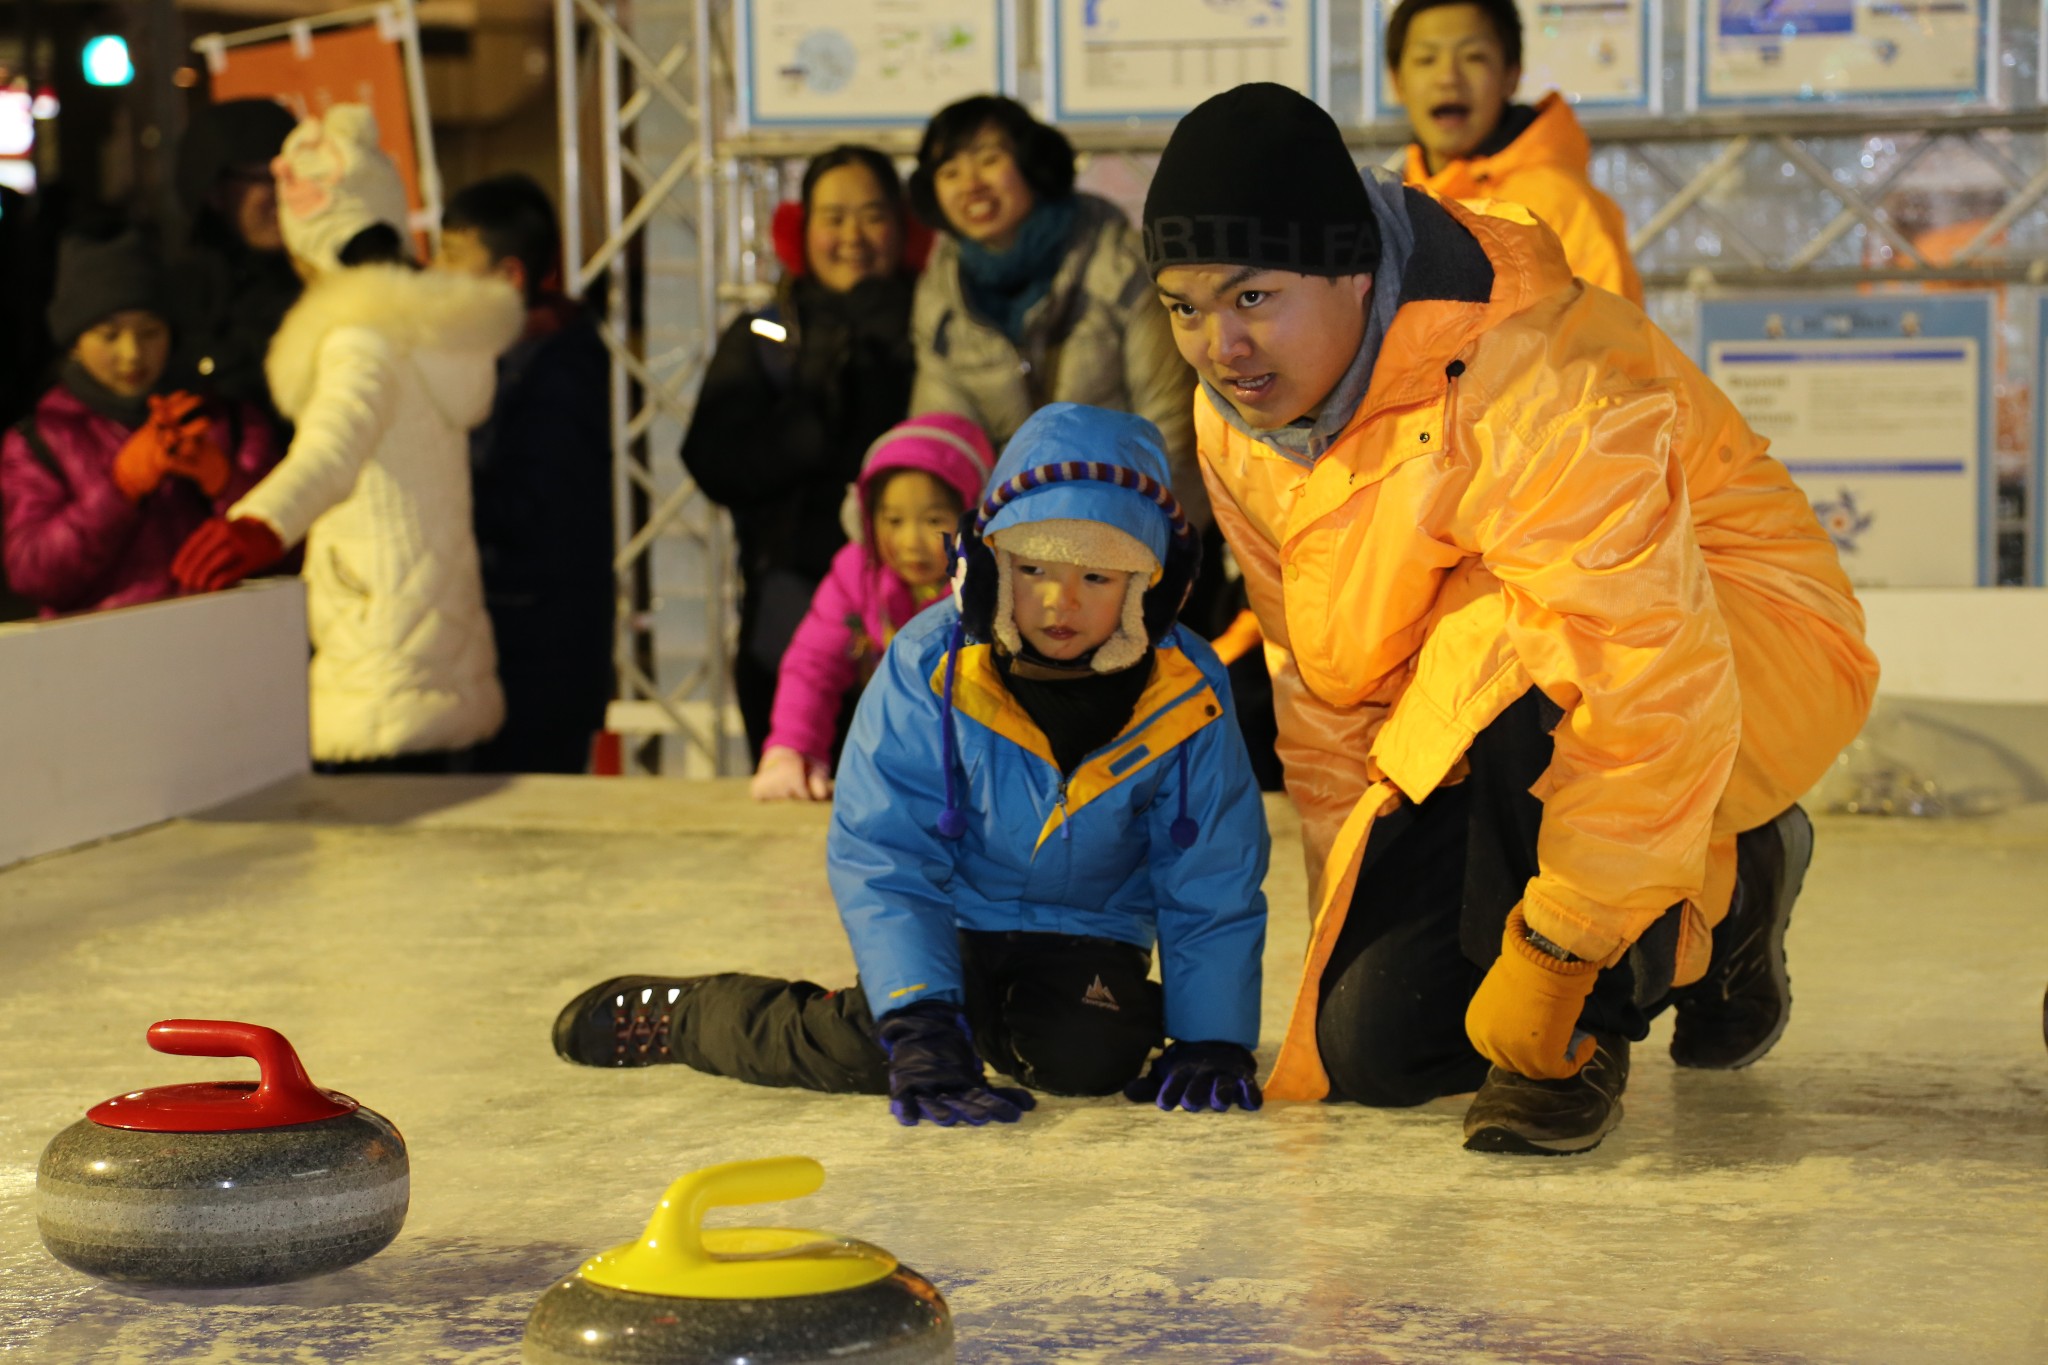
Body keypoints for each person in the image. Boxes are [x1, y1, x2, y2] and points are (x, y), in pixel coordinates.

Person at [1143, 84, 1877, 1154]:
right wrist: (1343, 912)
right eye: (1182, 307)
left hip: (1738, 644)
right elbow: (1316, 673)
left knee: (1520, 652)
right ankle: (1715, 901)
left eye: (1252, 297)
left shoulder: (1537, 373)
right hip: (1481, 695)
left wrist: (1555, 956)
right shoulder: (1239, 426)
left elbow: (1637, 666)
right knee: (1375, 1049)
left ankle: (1599, 1014)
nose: (1219, 347)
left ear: (1353, 268)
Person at [553, 404, 1270, 1127]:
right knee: (875, 1049)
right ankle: (698, 1015)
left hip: (1087, 925)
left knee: (1092, 1056)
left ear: (1149, 585)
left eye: (1096, 575)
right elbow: (885, 846)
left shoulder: (1187, 687)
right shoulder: (930, 664)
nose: (1060, 601)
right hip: (953, 911)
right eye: (1032, 569)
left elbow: (1211, 870)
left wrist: (1213, 1036)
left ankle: (995, 1020)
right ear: (989, 564)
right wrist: (919, 1014)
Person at [172, 106, 519, 772]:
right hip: (439, 652)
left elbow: (332, 449)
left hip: (375, 657)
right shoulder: (428, 333)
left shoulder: (359, 339)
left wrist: (256, 525)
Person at [682, 145, 921, 761]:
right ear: (800, 228)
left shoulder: (940, 329)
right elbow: (711, 459)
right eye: (833, 217)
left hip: (925, 607)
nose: (852, 237)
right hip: (789, 616)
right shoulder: (765, 334)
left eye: (871, 216)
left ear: (901, 228)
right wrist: (804, 426)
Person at [907, 95, 1206, 531]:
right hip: (1016, 549)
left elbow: (1171, 427)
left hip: (1137, 531)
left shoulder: (1119, 262)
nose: (970, 184)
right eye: (949, 171)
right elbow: (944, 445)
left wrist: (1134, 546)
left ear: (1034, 163)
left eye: (989, 160)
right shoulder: (940, 295)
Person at [434, 174, 616, 774]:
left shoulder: (558, 366)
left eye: (454, 261)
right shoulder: (501, 357)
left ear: (509, 276)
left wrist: (440, 490)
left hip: (538, 655)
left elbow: (541, 512)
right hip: (510, 640)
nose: (436, 277)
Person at [2, 231, 278, 617]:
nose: (132, 354)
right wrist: (120, 489)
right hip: (101, 657)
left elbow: (294, 547)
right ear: (74, 344)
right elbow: (33, 573)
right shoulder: (37, 443)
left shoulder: (229, 421)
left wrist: (226, 483)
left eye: (150, 332)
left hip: (220, 643)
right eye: (109, 335)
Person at [750, 413, 995, 802]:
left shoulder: (994, 584)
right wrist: (793, 750)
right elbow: (813, 667)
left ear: (974, 517)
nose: (910, 540)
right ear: (863, 516)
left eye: (933, 519)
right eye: (893, 520)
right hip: (891, 768)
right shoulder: (856, 576)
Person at [1387, 0, 1643, 304]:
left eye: (1474, 57)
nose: (1448, 78)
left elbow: (1609, 345)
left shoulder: (1563, 205)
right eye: (1426, 59)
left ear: (1512, 75)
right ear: (1397, 81)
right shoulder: (1386, 211)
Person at [164, 98, 304, 434]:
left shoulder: (328, 281)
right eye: (265, 179)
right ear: (214, 190)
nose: (280, 196)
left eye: (291, 178)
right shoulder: (177, 297)